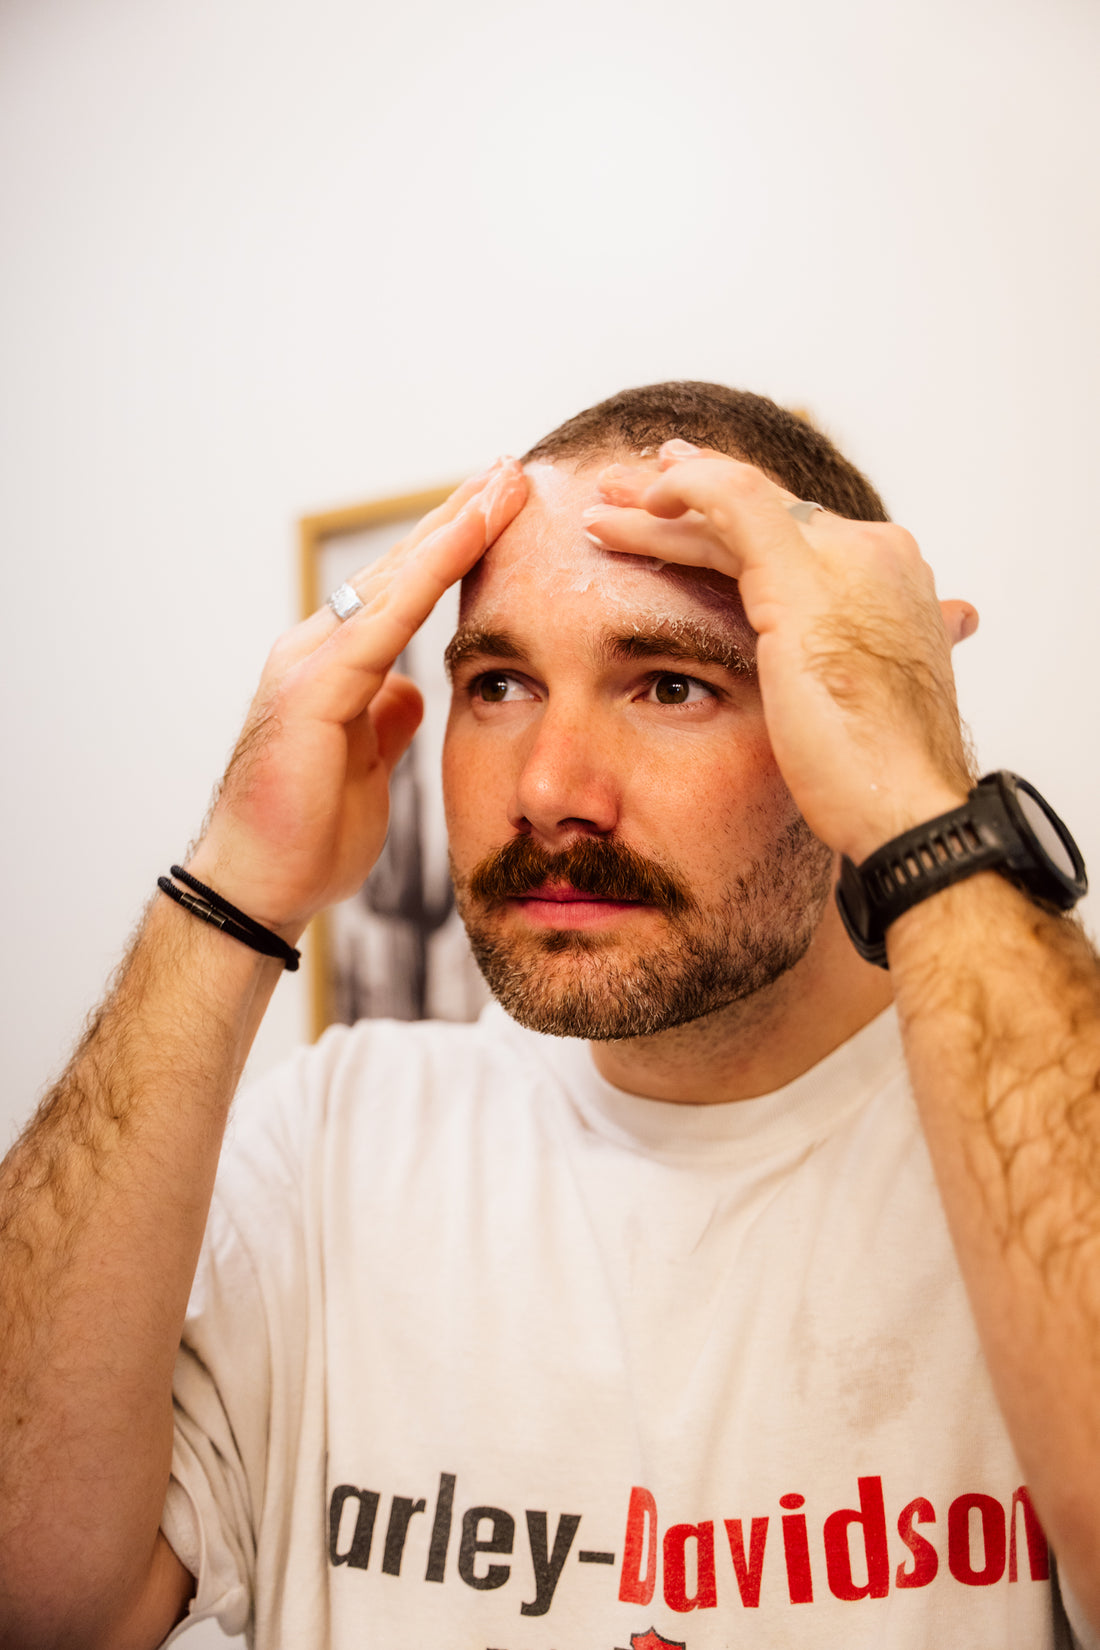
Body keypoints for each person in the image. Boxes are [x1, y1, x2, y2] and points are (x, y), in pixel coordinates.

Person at [1, 381, 1098, 1650]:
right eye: (502, 683)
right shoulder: (331, 1143)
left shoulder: (1024, 1149)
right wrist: (236, 884)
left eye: (670, 686)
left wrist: (917, 797)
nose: (547, 790)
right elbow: (36, 1594)